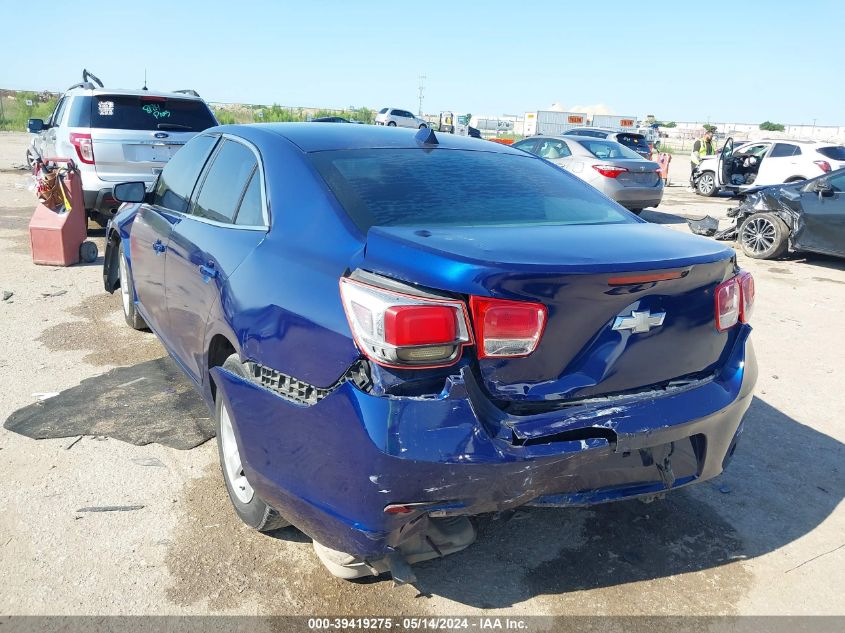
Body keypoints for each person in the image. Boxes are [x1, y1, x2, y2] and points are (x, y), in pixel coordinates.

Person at [688, 128, 717, 192]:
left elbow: (714, 151)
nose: (711, 137)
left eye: (712, 136)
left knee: (702, 175)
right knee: (695, 174)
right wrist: (699, 159)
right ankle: (691, 187)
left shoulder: (711, 143)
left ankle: (697, 187)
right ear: (706, 135)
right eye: (710, 136)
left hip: (706, 162)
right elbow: (696, 152)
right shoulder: (699, 142)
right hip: (696, 161)